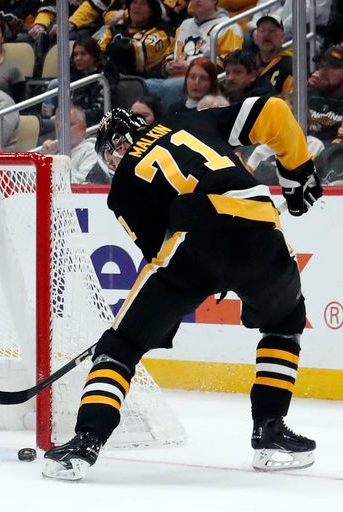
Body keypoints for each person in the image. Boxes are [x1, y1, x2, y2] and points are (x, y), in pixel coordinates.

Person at [42, 98, 322, 481]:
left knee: (121, 347)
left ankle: (86, 441)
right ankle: (270, 430)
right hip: (261, 230)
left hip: (197, 240)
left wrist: (144, 327)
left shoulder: (122, 184)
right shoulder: (190, 121)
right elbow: (271, 110)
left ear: (116, 147)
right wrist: (297, 170)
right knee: (285, 321)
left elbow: (160, 250)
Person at [146, 0, 243, 111]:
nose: (197, 0)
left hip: (200, 81)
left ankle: (170, 125)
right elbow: (171, 52)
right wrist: (168, 65)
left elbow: (230, 62)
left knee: (171, 87)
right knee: (143, 85)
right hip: (173, 78)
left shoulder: (229, 26)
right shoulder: (184, 24)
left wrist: (193, 68)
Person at [98, 0, 171, 78]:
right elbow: (96, 52)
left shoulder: (161, 33)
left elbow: (131, 54)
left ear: (152, 10)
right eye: (134, 2)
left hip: (140, 82)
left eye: (143, 3)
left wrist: (110, 50)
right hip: (104, 78)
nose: (137, 6)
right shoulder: (115, 29)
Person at [39, 105, 98, 184]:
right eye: (58, 125)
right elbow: (30, 182)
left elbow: (82, 183)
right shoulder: (50, 152)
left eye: (70, 124)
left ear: (83, 128)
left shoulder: (91, 150)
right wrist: (42, 158)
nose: (62, 129)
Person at [307, 45, 343, 146]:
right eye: (322, 66)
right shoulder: (309, 95)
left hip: (332, 157)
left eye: (331, 67)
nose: (324, 72)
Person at [253, 14, 292, 96]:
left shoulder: (290, 65)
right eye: (262, 30)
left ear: (282, 37)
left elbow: (291, 99)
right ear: (256, 38)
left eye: (272, 31)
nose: (267, 34)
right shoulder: (248, 63)